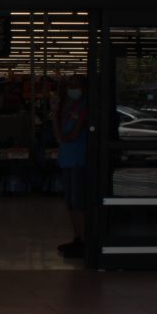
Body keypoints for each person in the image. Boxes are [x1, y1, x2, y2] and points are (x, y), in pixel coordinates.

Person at [53, 75, 88, 259]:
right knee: (71, 202)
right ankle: (77, 237)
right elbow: (59, 134)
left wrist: (64, 136)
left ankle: (84, 238)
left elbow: (73, 134)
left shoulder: (85, 106)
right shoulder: (67, 108)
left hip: (79, 160)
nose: (72, 89)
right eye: (70, 85)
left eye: (76, 85)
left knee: (78, 200)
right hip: (67, 159)